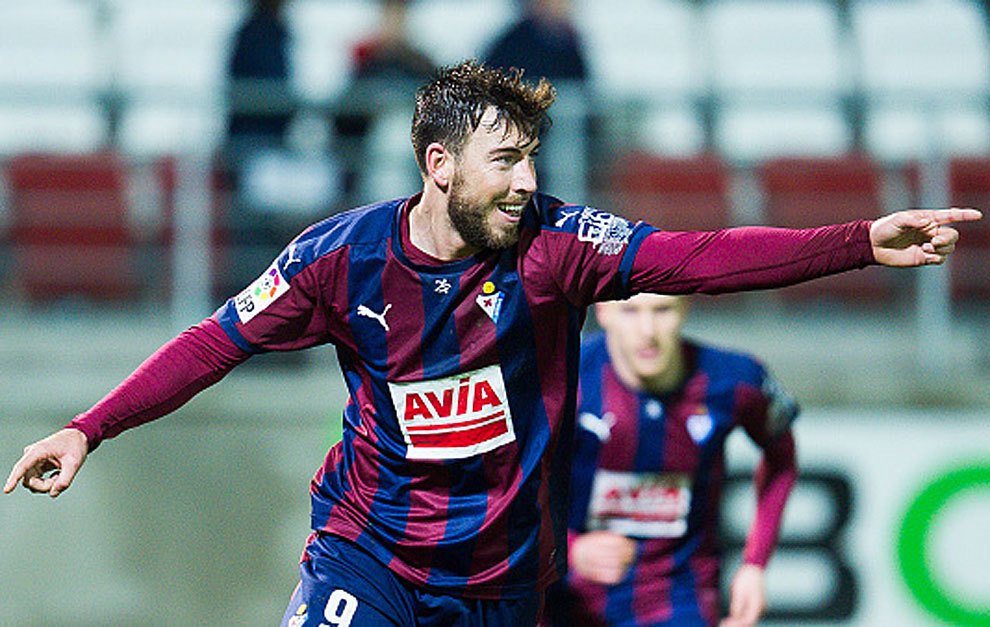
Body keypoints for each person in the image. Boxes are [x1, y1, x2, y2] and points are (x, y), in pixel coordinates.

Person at [3, 61, 980, 626]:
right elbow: (213, 344)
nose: (525, 180)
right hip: (369, 557)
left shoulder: (556, 245)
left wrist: (858, 241)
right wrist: (89, 429)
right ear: (439, 164)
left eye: (532, 160)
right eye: (504, 159)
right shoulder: (334, 261)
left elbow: (699, 256)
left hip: (506, 584)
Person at [546, 293, 797, 627]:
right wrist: (569, 549)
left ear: (685, 308)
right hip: (565, 597)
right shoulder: (561, 381)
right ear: (603, 312)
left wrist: (754, 566)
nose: (647, 330)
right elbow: (508, 487)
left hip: (679, 599)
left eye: (662, 310)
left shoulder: (736, 380)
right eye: (631, 311)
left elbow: (782, 460)